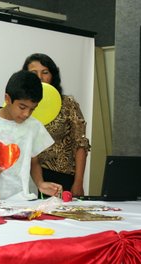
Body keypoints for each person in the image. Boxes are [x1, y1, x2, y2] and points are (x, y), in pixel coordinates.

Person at [0, 70, 62, 200]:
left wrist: (40, 183)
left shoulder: (33, 126)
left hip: (20, 197)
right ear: (7, 99)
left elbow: (34, 160)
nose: (26, 114)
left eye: (32, 109)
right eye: (22, 107)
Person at [22, 53, 90, 197]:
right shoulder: (22, 105)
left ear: (53, 75)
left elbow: (81, 144)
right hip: (32, 176)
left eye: (45, 72)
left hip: (63, 177)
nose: (40, 77)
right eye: (34, 73)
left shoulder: (67, 103)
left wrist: (78, 182)